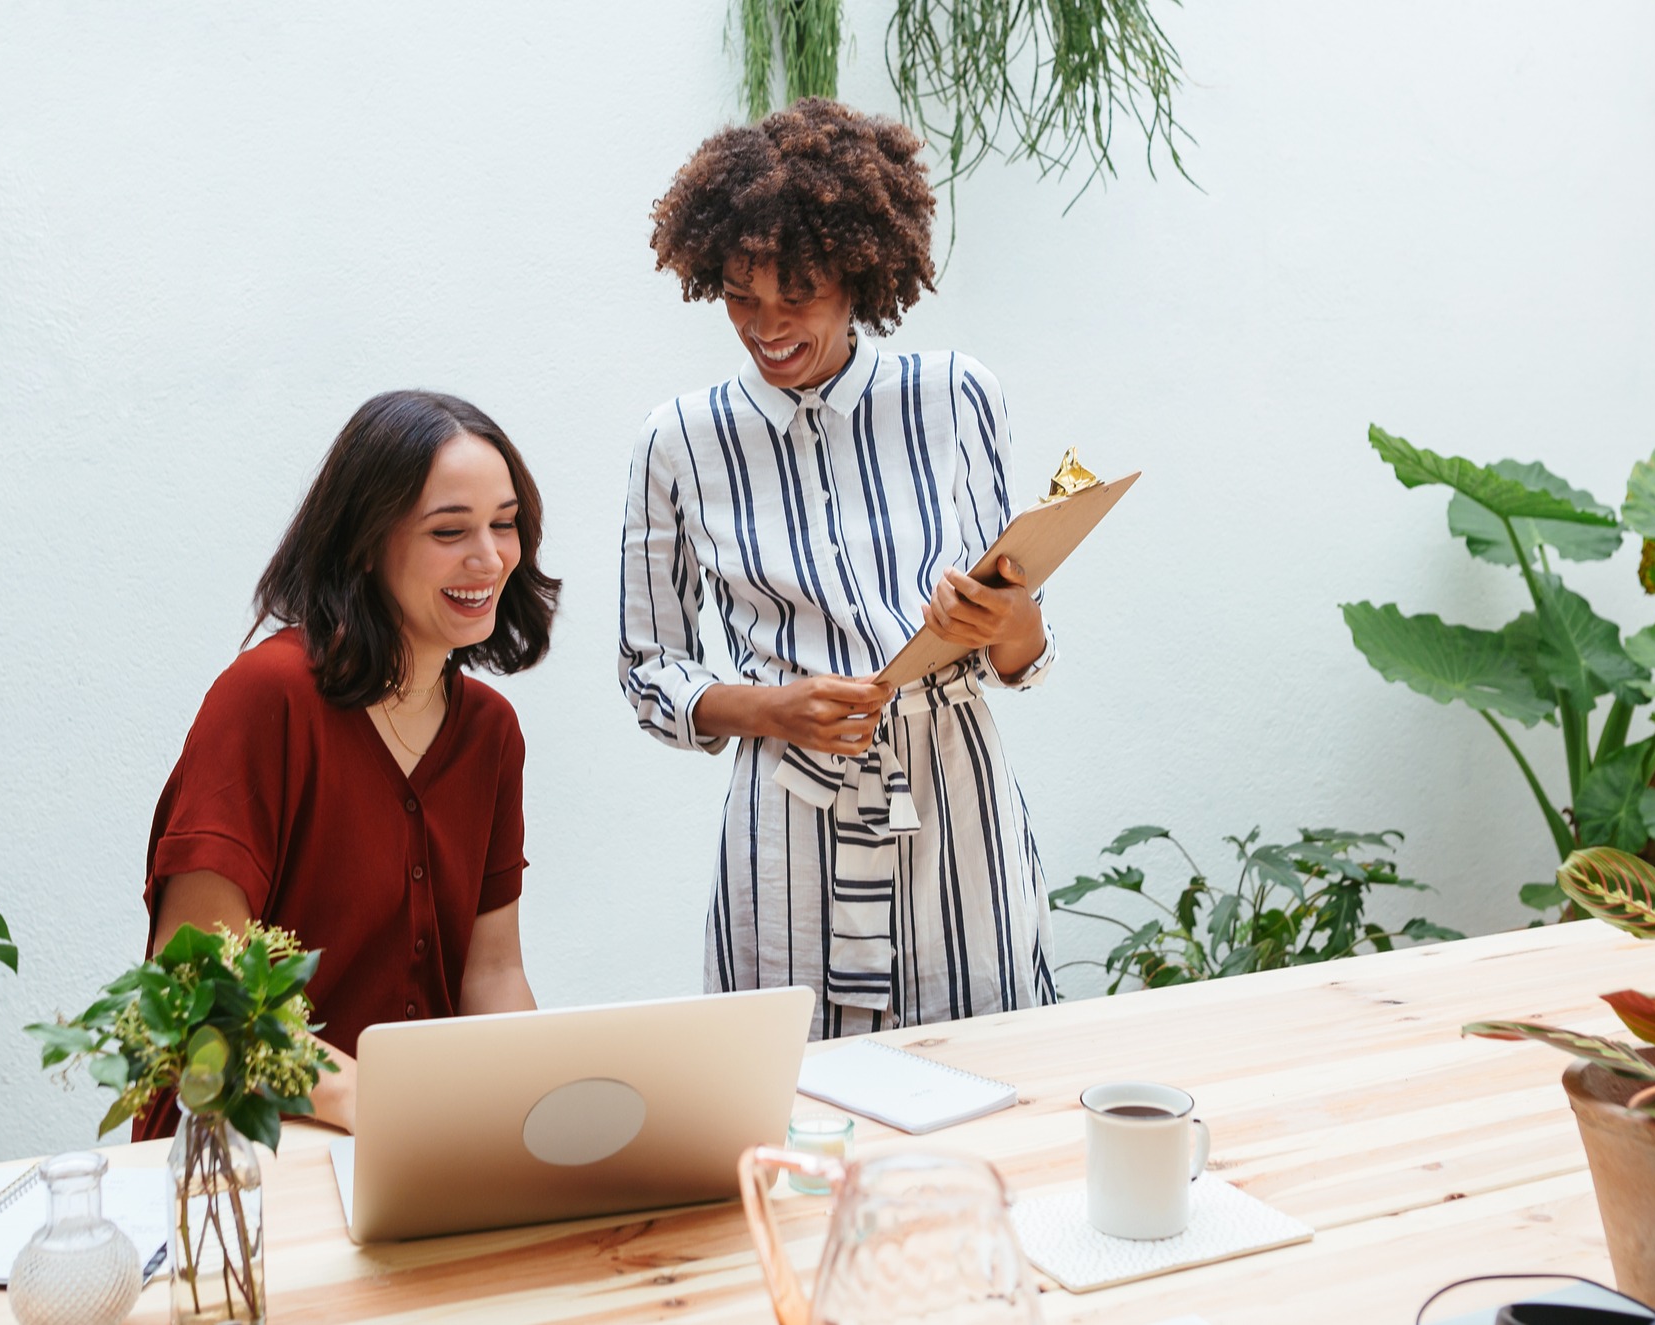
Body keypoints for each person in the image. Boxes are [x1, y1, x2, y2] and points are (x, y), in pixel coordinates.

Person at [620, 97, 1061, 1039]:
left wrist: (1003, 620)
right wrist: (767, 709)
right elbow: (648, 669)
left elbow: (1018, 648)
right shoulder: (680, 443)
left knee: (990, 1077)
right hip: (787, 823)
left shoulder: (956, 397)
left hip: (955, 808)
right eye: (742, 295)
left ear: (861, 274)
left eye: (799, 293)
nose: (766, 324)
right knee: (789, 1099)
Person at [145, 389, 556, 1134]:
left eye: (504, 524)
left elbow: (491, 974)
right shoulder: (265, 699)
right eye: (449, 530)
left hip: (421, 1143)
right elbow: (202, 987)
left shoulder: (492, 732)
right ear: (366, 543)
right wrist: (384, 1109)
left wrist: (537, 1107)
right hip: (249, 1150)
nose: (488, 556)